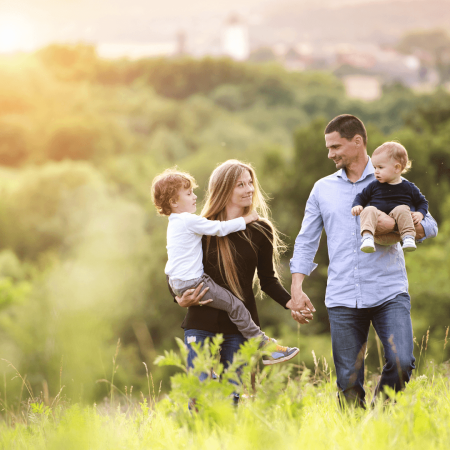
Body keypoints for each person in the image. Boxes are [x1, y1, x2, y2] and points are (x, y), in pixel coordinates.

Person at [289, 114, 438, 407]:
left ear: (357, 142)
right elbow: (306, 239)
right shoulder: (322, 189)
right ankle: (356, 436)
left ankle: (378, 418)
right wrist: (297, 287)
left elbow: (430, 225)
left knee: (401, 361)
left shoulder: (396, 181)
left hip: (388, 290)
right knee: (348, 381)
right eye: (328, 148)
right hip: (343, 294)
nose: (330, 153)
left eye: (335, 146)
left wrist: (397, 227)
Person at [152, 167, 299, 365]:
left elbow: (268, 280)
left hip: (238, 329)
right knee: (200, 391)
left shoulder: (260, 230)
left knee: (233, 395)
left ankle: (264, 344)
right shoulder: (203, 226)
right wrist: (179, 299)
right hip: (201, 324)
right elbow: (176, 265)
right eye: (241, 184)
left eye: (250, 183)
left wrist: (291, 303)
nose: (250, 189)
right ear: (224, 190)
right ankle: (264, 344)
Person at [351, 141, 428, 253]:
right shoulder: (374, 185)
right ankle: (367, 238)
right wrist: (357, 205)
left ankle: (408, 238)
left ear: (397, 168)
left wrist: (420, 213)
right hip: (377, 233)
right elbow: (361, 196)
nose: (376, 172)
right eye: (374, 167)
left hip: (398, 234)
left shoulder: (409, 187)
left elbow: (422, 202)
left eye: (380, 167)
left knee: (402, 208)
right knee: (369, 209)